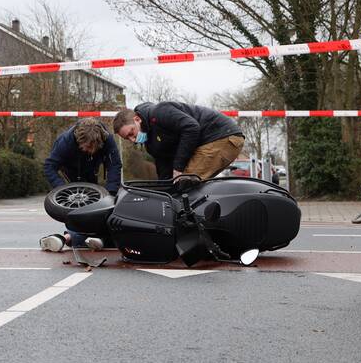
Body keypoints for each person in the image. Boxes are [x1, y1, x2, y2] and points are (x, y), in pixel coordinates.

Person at [39, 118, 122, 252]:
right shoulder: (65, 142)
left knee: (99, 209)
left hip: (91, 172)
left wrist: (111, 193)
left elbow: (114, 165)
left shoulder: (107, 140)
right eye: (87, 147)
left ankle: (69, 238)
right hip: (72, 174)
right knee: (75, 211)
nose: (90, 150)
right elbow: (49, 166)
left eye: (93, 148)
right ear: (79, 141)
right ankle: (77, 238)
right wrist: (62, 189)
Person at [111, 102, 244, 182]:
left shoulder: (159, 112)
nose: (132, 140)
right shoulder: (151, 144)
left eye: (131, 133)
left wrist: (178, 169)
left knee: (185, 182)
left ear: (137, 119)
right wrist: (164, 190)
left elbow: (191, 128)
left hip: (222, 136)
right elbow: (163, 167)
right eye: (127, 139)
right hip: (213, 141)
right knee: (178, 186)